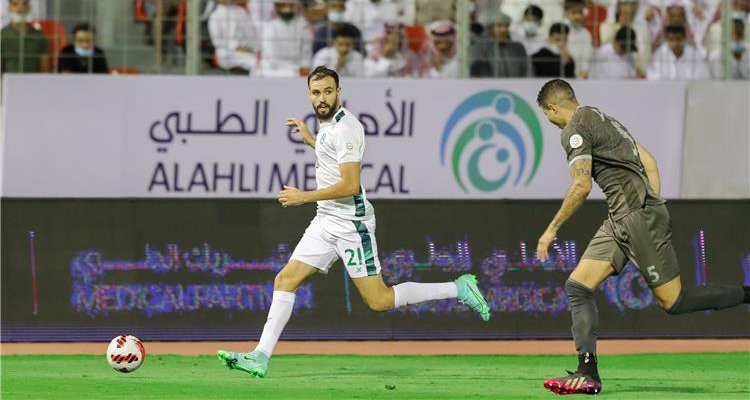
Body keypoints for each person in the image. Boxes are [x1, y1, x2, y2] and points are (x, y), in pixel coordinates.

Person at [217, 66, 491, 378]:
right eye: (316, 92)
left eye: (328, 91)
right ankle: (260, 357)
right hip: (325, 220)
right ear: (310, 94)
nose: (322, 98)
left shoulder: (346, 128)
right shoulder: (326, 127)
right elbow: (331, 159)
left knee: (379, 300)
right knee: (285, 280)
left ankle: (458, 288)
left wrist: (303, 196)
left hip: (351, 224)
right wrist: (310, 140)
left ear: (339, 92)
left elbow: (349, 185)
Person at [534, 79, 750, 395]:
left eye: (546, 115)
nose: (550, 122)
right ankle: (587, 371)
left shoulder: (574, 130)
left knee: (674, 302)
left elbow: (581, 185)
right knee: (578, 286)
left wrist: (551, 230)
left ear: (552, 108)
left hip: (634, 218)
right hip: (623, 219)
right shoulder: (603, 119)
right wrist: (650, 205)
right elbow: (649, 161)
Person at [257, 0, 313, 77]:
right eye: (283, 5)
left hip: (298, 71)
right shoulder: (269, 27)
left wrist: (303, 68)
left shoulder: (303, 26)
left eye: (290, 5)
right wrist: (294, 69)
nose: (287, 9)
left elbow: (306, 54)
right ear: (277, 7)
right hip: (274, 71)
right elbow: (272, 59)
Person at [470, 12, 529, 78]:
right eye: (499, 26)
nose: (503, 30)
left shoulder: (518, 48)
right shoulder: (479, 47)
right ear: (490, 28)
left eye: (506, 26)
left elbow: (527, 71)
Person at [207, 0, 258, 74]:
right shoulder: (215, 16)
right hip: (227, 52)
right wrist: (237, 47)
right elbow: (217, 42)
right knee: (255, 63)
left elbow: (250, 34)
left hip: (247, 49)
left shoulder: (241, 11)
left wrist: (253, 48)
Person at [0, 0, 49, 73]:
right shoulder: (2, 36)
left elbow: (45, 71)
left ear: (29, 7)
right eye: (15, 4)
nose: (20, 8)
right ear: (9, 7)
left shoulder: (40, 36)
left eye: (24, 4)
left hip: (33, 82)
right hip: (8, 82)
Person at [563, 0, 594, 79]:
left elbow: (586, 56)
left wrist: (584, 71)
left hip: (581, 77)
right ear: (566, 13)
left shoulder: (586, 34)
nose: (578, 16)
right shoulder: (560, 30)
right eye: (574, 12)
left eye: (580, 13)